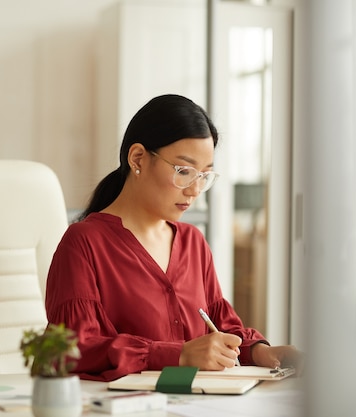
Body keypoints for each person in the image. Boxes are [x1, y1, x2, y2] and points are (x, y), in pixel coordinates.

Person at [45, 94, 302, 381]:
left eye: (204, 176)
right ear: (138, 158)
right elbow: (71, 351)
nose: (194, 190)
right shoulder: (84, 243)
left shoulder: (193, 242)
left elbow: (221, 328)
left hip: (198, 403)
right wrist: (178, 355)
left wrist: (260, 352)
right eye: (184, 171)